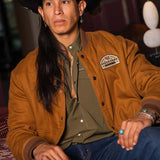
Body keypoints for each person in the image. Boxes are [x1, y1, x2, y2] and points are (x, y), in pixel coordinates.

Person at [7, 0, 160, 159]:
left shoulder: (116, 47)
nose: (57, 11)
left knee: (154, 140)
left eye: (64, 2)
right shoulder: (23, 72)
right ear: (42, 13)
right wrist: (38, 148)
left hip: (118, 144)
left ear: (80, 8)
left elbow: (155, 80)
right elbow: (19, 130)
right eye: (49, 4)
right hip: (63, 154)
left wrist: (146, 114)